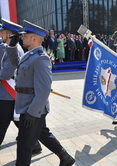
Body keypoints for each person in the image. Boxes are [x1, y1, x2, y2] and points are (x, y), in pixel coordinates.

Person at [6, 20, 75, 166]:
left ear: (34, 38)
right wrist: (12, 47)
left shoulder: (41, 59)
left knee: (24, 145)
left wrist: (32, 112)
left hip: (32, 107)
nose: (22, 37)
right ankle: (65, 157)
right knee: (43, 134)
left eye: (25, 35)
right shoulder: (29, 55)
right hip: (28, 105)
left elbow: (44, 90)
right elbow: (15, 64)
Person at [0, 18, 42, 154]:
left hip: (9, 92)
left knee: (3, 123)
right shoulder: (8, 47)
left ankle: (37, 143)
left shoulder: (15, 49)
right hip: (8, 92)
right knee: (18, 121)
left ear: (9, 34)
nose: (0, 35)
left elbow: (6, 73)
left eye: (3, 32)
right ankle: (35, 143)